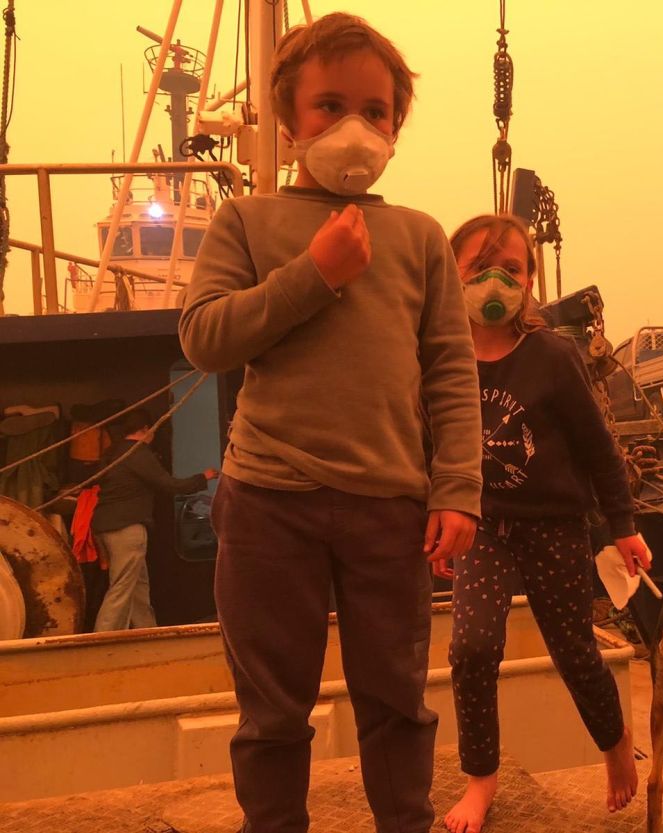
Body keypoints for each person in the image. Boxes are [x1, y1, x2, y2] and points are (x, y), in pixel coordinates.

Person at [178, 13, 483, 833]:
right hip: (269, 500)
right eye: (329, 106)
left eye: (375, 111)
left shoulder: (419, 238)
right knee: (272, 711)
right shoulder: (247, 222)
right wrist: (314, 273)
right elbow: (205, 337)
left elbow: (452, 371)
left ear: (396, 127)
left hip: (390, 507)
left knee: (398, 704)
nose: (355, 126)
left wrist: (457, 488)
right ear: (288, 122)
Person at [441, 214, 650, 833]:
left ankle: (614, 746)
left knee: (575, 652)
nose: (498, 282)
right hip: (484, 528)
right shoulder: (441, 359)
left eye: (514, 268)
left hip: (555, 527)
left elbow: (598, 449)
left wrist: (623, 524)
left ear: (530, 280)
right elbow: (429, 448)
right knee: (472, 648)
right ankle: (482, 779)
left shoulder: (554, 355)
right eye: (480, 269)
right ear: (452, 277)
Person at [91, 408, 217, 632]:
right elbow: (168, 485)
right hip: (127, 526)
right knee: (121, 585)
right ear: (146, 430)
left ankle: (147, 631)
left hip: (105, 525)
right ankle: (103, 637)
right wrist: (203, 477)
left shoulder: (115, 452)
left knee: (138, 586)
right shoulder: (138, 453)